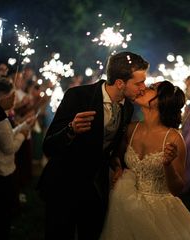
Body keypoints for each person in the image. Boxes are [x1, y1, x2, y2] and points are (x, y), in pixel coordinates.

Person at [37, 51, 149, 240]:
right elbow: (49, 146)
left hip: (96, 188)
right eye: (139, 83)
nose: (143, 88)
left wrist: (115, 162)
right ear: (120, 83)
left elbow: (108, 145)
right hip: (64, 186)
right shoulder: (78, 96)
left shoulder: (128, 107)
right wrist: (71, 129)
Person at [100, 80, 190, 240]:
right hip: (126, 208)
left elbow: (177, 189)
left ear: (161, 101)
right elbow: (116, 157)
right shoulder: (131, 129)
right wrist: (117, 167)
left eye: (151, 88)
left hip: (160, 214)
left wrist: (168, 164)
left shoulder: (174, 138)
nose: (143, 88)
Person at [0, 78, 34, 240]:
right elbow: (9, 148)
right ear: (1, 97)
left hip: (0, 170)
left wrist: (24, 126)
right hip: (0, 173)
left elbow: (9, 134)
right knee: (1, 216)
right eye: (11, 96)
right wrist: (23, 134)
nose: (14, 100)